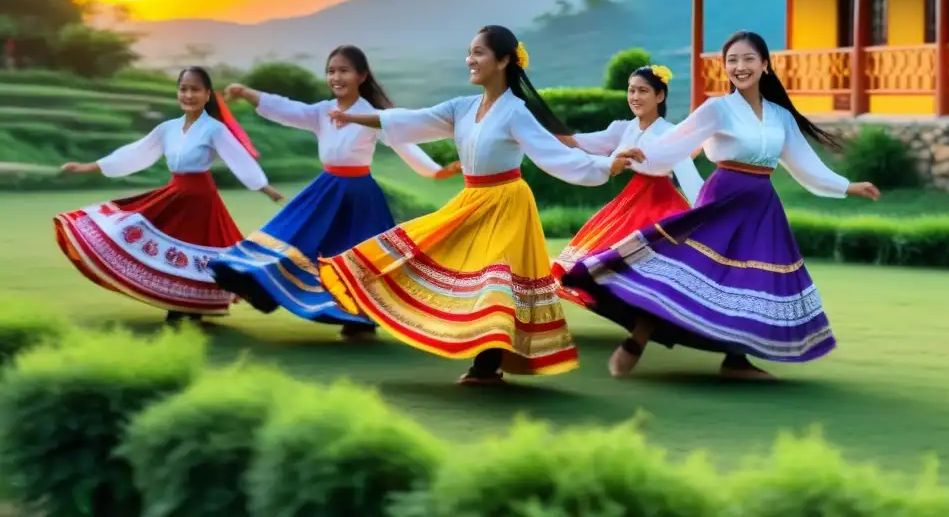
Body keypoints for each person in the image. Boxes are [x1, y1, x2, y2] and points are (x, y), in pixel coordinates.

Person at [318, 25, 630, 385]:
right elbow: (410, 120)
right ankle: (471, 354)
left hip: (508, 203)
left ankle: (487, 366)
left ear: (503, 61)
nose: (470, 59)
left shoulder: (516, 112)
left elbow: (554, 156)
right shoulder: (461, 108)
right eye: (469, 52)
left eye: (478, 52)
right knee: (436, 257)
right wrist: (354, 116)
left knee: (495, 282)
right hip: (472, 200)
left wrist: (607, 165)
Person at [562, 31, 881, 381]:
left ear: (764, 64)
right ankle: (638, 339)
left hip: (761, 207)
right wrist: (627, 158)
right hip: (722, 199)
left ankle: (736, 361)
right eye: (732, 60)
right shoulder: (717, 108)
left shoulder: (779, 116)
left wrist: (847, 185)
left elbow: (804, 163)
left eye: (747, 59)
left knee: (749, 279)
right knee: (690, 270)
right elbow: (672, 144)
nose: (739, 67)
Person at [207, 45, 461, 338]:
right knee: (293, 237)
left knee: (357, 258)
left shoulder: (372, 116)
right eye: (331, 71)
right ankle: (264, 287)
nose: (336, 77)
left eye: (344, 70)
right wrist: (248, 94)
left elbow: (405, 145)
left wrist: (435, 171)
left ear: (361, 75)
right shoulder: (321, 112)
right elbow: (288, 109)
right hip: (325, 191)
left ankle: (359, 320)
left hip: (360, 197)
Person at [54, 66, 283, 324]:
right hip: (175, 194)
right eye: (183, 89)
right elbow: (135, 153)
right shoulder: (168, 129)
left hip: (200, 200)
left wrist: (265, 188)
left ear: (207, 95)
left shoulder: (214, 129)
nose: (188, 95)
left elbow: (238, 159)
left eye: (195, 89)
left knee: (196, 253)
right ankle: (179, 304)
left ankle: (191, 307)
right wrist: (87, 167)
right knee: (148, 239)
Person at [552, 64, 704, 309]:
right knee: (601, 261)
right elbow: (578, 142)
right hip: (630, 201)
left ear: (660, 96)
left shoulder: (670, 134)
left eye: (643, 91)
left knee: (647, 265)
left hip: (659, 205)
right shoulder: (623, 129)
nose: (635, 97)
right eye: (631, 91)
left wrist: (709, 210)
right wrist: (537, 132)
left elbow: (690, 179)